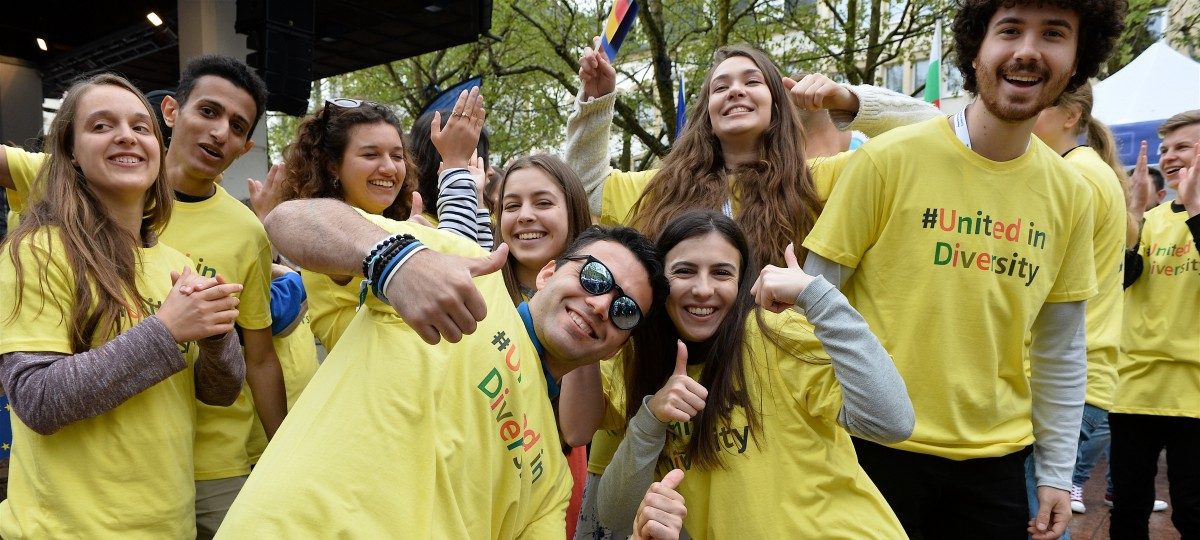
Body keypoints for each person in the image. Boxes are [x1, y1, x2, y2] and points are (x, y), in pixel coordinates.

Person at [802, 1, 1127, 538]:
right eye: (1010, 30)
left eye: (1053, 33)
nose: (1027, 50)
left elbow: (1061, 346)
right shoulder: (887, 161)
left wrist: (1053, 472)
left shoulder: (1074, 194)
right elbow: (812, 307)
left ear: (1075, 62)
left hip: (997, 469)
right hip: (870, 452)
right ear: (976, 49)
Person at [215, 197, 666, 537]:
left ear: (616, 348)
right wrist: (392, 259)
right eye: (594, 277)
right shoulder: (457, 272)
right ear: (548, 274)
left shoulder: (552, 481)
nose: (602, 303)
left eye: (625, 310)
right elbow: (286, 221)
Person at [0, 54, 285, 537]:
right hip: (70, 528)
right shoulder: (38, 250)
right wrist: (167, 329)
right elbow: (38, 399)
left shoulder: (175, 262)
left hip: (167, 521)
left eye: (140, 126)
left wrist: (216, 339)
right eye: (101, 125)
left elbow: (217, 393)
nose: (127, 136)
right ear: (69, 151)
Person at [595, 210, 912, 538]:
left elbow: (893, 422)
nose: (703, 289)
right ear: (660, 283)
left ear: (742, 280)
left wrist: (819, 298)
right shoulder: (636, 363)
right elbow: (614, 515)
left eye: (721, 273)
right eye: (684, 271)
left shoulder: (774, 333)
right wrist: (652, 418)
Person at [567, 40, 940, 269]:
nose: (735, 91)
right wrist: (597, 101)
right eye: (721, 86)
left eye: (752, 82)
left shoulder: (819, 180)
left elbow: (933, 131)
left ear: (777, 105)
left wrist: (847, 99)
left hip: (786, 387)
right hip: (683, 384)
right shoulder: (666, 186)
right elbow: (584, 187)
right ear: (707, 115)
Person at [269, 90, 489, 351]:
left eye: (397, 156)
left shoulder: (401, 225)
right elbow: (284, 219)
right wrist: (454, 166)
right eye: (370, 155)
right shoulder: (332, 235)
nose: (389, 168)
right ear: (332, 166)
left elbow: (476, 273)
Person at [1026, 82, 1130, 526]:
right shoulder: (1084, 168)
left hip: (1070, 376)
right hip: (1083, 375)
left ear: (1070, 116)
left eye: (1042, 104)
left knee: (1040, 521)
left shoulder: (1076, 176)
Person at [1110, 109, 1200, 539]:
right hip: (1134, 388)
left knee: (1193, 513)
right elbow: (1122, 279)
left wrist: (1196, 212)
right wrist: (1134, 213)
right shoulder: (1153, 219)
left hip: (1195, 395)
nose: (1168, 157)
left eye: (1183, 146)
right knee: (1127, 510)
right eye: (1165, 149)